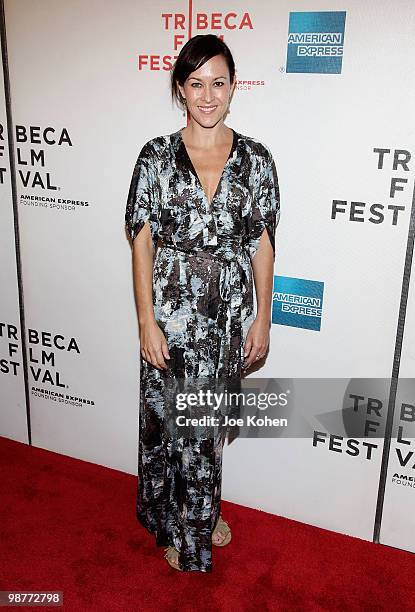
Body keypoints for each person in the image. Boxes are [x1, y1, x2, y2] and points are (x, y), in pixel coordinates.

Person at [125, 34, 280, 572]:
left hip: (227, 319)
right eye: (196, 84)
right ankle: (178, 523)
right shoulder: (156, 157)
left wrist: (263, 315)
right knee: (170, 425)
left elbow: (262, 240)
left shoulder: (258, 160)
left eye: (218, 83)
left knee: (207, 428)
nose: (207, 95)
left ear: (233, 87)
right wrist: (146, 320)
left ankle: (202, 508)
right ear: (180, 90)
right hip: (170, 314)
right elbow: (141, 240)